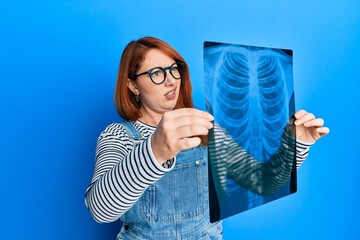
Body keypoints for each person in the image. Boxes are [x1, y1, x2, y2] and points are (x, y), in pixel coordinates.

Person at [85, 36, 330, 239]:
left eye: (174, 69)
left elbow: (261, 182)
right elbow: (100, 210)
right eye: (157, 73)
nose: (171, 80)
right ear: (132, 86)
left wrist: (296, 142)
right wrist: (155, 151)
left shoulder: (204, 128)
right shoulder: (118, 136)